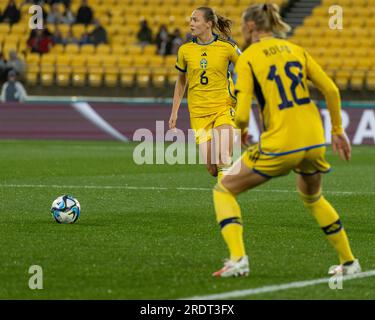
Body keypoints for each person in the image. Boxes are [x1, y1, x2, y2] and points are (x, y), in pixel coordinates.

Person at [212, 3, 361, 277]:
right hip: (314, 138)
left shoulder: (249, 57)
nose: (243, 30)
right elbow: (330, 89)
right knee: (313, 197)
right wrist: (338, 130)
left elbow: (242, 111)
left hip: (282, 141)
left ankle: (238, 259)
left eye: (244, 25)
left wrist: (240, 129)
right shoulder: (296, 49)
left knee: (224, 189)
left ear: (252, 27)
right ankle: (349, 262)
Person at [169, 7, 241, 181]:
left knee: (222, 158)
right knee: (212, 168)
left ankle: (224, 200)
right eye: (191, 20)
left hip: (223, 107)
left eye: (195, 20)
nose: (191, 23)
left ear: (208, 24)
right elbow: (181, 81)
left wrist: (241, 91)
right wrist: (174, 111)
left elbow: (247, 66)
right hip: (198, 112)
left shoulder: (227, 47)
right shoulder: (185, 51)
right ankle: (232, 170)